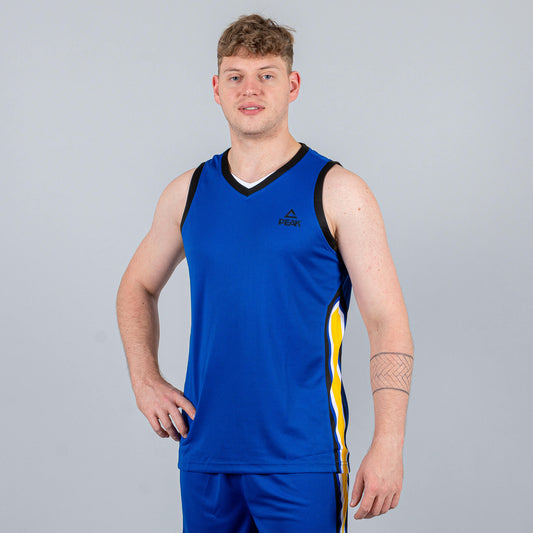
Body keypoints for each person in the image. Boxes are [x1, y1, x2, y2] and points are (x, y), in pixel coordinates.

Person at [116, 14, 413, 533]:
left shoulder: (338, 191)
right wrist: (145, 381)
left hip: (302, 457)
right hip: (206, 452)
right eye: (235, 76)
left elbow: (388, 323)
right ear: (216, 89)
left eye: (266, 75)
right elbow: (136, 287)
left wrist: (388, 445)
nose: (249, 89)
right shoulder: (188, 192)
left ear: (292, 85)